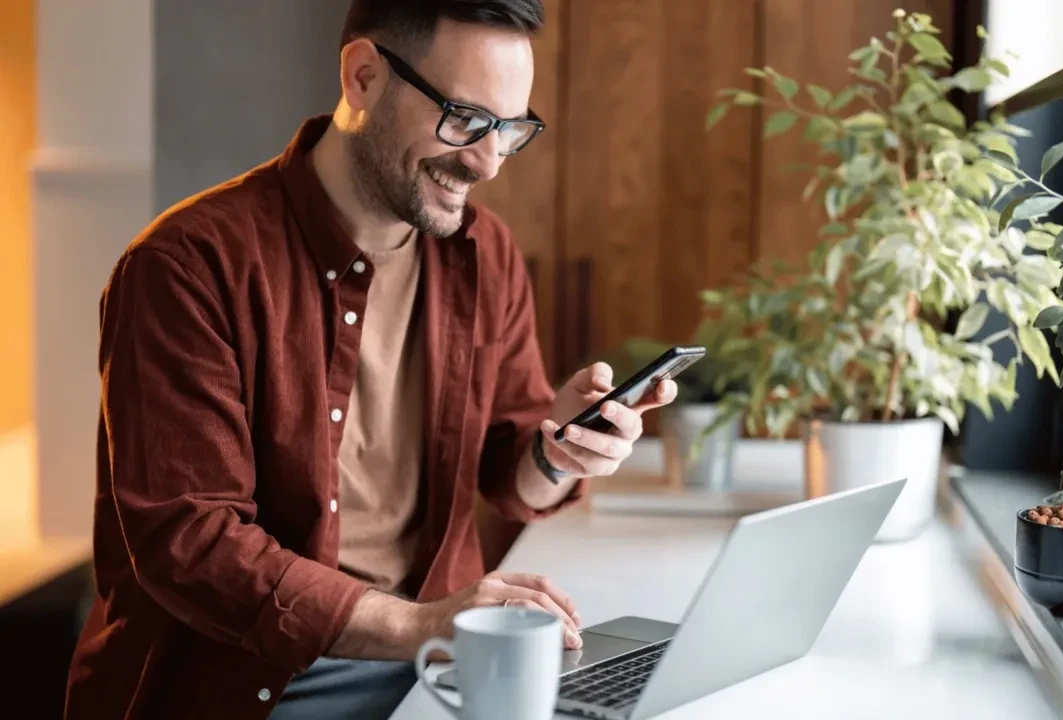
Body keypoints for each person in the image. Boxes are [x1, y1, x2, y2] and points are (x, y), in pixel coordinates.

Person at [63, 1, 676, 718]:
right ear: (362, 77)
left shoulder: (486, 255)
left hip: (433, 663)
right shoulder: (186, 267)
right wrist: (426, 623)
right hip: (255, 686)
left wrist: (561, 451)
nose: (486, 161)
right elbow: (191, 545)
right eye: (464, 118)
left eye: (510, 129)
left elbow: (509, 476)